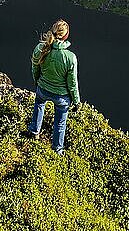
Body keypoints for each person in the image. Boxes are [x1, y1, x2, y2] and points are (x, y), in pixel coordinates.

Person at [28, 19, 80, 155]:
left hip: (43, 89)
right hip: (61, 97)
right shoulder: (70, 57)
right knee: (60, 123)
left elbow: (35, 69)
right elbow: (72, 83)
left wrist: (38, 83)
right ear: (65, 35)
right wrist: (76, 102)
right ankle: (57, 149)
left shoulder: (40, 48)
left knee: (39, 104)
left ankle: (34, 131)